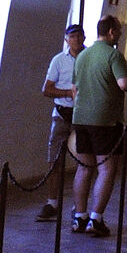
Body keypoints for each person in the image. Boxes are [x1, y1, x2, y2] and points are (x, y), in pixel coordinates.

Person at [71, 14, 127, 238]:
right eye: (118, 30)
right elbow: (124, 84)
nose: (120, 34)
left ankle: (80, 216)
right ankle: (96, 219)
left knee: (83, 168)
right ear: (110, 32)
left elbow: (75, 88)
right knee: (106, 168)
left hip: (81, 117)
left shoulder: (82, 55)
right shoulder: (113, 54)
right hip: (105, 120)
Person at [36, 21, 85, 218]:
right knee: (54, 159)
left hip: (82, 115)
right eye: (72, 36)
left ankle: (79, 206)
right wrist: (67, 93)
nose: (76, 40)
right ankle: (52, 202)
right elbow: (46, 89)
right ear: (66, 39)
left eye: (79, 36)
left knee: (83, 161)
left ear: (84, 37)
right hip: (62, 114)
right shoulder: (58, 60)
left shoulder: (88, 57)